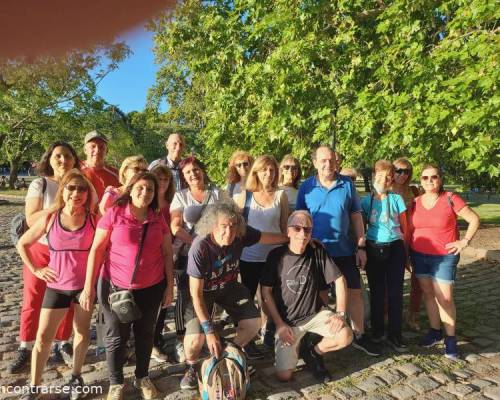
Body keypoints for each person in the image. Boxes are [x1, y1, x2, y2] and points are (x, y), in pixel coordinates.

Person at [80, 171, 174, 400]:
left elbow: (167, 253)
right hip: (115, 287)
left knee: (145, 334)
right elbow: (97, 250)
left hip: (151, 287)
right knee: (116, 337)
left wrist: (170, 286)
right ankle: (115, 382)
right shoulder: (114, 214)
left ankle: (142, 376)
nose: (145, 193)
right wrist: (88, 286)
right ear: (130, 189)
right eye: (140, 188)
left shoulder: (157, 217)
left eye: (150, 190)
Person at [178, 201, 288, 389]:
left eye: (233, 226)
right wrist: (209, 331)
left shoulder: (241, 234)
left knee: (254, 323)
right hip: (201, 293)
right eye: (223, 226)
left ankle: (229, 352)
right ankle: (191, 367)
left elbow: (266, 237)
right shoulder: (200, 246)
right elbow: (196, 295)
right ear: (212, 225)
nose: (229, 232)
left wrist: (293, 238)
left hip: (228, 286)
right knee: (196, 341)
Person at [17, 170, 96, 400]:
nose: (76, 193)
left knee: (81, 334)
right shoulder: (50, 218)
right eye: (71, 188)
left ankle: (76, 376)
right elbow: (23, 243)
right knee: (43, 338)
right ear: (63, 191)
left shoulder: (93, 219)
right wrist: (36, 270)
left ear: (87, 194)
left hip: (83, 288)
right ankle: (35, 385)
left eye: (82, 189)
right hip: (57, 287)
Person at [296, 145, 380, 356]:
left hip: (344, 250)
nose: (328, 164)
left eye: (332, 160)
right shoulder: (306, 187)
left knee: (354, 292)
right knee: (320, 294)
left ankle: (359, 334)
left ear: (337, 161)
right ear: (315, 163)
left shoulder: (347, 184)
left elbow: (356, 217)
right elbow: (299, 219)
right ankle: (321, 335)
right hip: (315, 251)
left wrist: (361, 245)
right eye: (323, 160)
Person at [10, 141, 81, 375]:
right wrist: (59, 207)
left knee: (68, 299)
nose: (63, 160)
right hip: (40, 249)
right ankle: (26, 345)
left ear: (74, 160)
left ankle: (63, 342)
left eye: (68, 156)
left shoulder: (77, 185)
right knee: (33, 299)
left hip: (67, 253)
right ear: (49, 159)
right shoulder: (41, 184)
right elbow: (31, 219)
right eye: (58, 156)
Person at [261, 210, 353, 382]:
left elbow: (340, 280)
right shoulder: (276, 256)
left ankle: (313, 351)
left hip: (315, 314)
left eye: (307, 229)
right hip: (288, 322)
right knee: (284, 375)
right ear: (287, 231)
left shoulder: (317, 251)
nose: (302, 234)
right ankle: (296, 345)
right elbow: (265, 291)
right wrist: (279, 324)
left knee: (345, 335)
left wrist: (340, 313)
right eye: (296, 228)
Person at [410, 164, 479, 360]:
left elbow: (474, 219)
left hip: (444, 256)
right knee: (428, 294)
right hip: (419, 255)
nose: (429, 181)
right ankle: (434, 331)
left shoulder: (450, 198)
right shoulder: (415, 202)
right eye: (425, 177)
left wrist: (464, 241)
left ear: (440, 179)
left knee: (445, 298)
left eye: (434, 177)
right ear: (420, 180)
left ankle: (450, 338)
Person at [234, 155, 289, 358]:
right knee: (247, 299)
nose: (268, 174)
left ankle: (269, 332)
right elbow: (236, 228)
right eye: (264, 170)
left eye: (272, 170)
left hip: (274, 256)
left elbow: (284, 226)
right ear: (256, 172)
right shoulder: (245, 196)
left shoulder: (280, 196)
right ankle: (246, 339)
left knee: (271, 297)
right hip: (249, 257)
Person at [170, 156, 223, 362]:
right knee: (185, 297)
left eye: (196, 170)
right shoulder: (181, 197)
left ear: (202, 170)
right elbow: (175, 226)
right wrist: (196, 243)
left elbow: (228, 218)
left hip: (214, 254)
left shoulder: (217, 193)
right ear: (184, 177)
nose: (193, 174)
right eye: (188, 172)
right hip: (188, 254)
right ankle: (182, 338)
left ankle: (207, 332)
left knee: (209, 292)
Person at [361, 160, 409, 352]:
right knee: (377, 291)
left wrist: (406, 253)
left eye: (388, 176)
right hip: (374, 247)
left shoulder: (396, 199)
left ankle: (395, 333)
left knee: (395, 291)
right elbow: (361, 225)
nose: (385, 178)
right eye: (381, 175)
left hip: (395, 247)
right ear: (374, 176)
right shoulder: (366, 201)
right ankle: (378, 329)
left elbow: (405, 227)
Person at [391, 157, 422, 330]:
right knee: (392, 281)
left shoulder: (414, 191)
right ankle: (388, 314)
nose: (403, 174)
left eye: (407, 171)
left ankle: (412, 315)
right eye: (399, 170)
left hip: (414, 239)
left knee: (418, 280)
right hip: (393, 240)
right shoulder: (385, 191)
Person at [150, 164, 176, 361]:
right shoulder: (146, 202)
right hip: (148, 257)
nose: (162, 182)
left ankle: (156, 337)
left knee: (164, 299)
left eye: (166, 179)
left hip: (167, 256)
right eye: (158, 178)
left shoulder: (172, 203)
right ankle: (145, 340)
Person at [80, 130, 119, 201]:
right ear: (85, 150)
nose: (97, 150)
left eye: (101, 147)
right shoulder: (76, 170)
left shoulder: (116, 174)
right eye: (93, 146)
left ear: (106, 151)